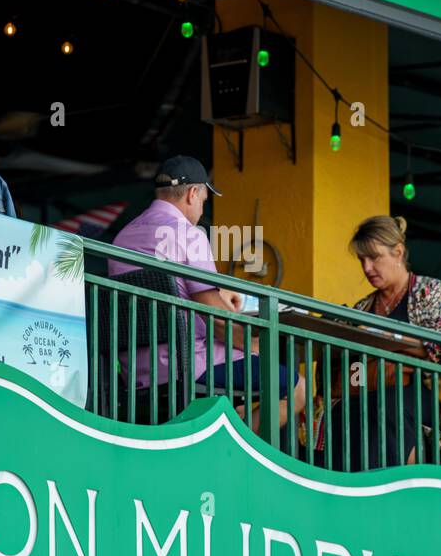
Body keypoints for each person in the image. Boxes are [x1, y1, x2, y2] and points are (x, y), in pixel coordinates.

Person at [110, 156, 304, 433]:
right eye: (204, 200)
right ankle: (232, 451)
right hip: (189, 365)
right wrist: (252, 346)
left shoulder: (123, 237)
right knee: (297, 387)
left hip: (137, 373)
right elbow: (216, 315)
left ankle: (217, 439)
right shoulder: (189, 234)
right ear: (193, 193)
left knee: (242, 393)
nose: (202, 207)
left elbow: (173, 292)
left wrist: (222, 291)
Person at [314, 215, 441, 470]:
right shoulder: (363, 307)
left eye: (374, 258)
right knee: (341, 412)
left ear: (398, 252)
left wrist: (389, 341)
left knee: (388, 405)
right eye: (362, 260)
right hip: (372, 392)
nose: (367, 268)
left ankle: (392, 490)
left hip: (424, 394)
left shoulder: (430, 291)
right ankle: (347, 493)